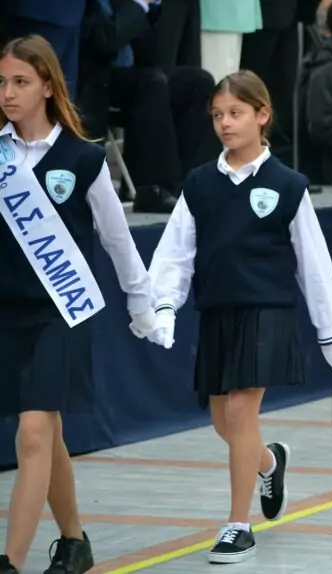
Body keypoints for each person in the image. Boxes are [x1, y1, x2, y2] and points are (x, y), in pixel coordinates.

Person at [144, 70, 332, 564]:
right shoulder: (200, 183)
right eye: (217, 114)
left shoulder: (288, 185)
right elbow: (175, 252)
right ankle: (269, 462)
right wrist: (163, 305)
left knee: (240, 413)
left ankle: (238, 526)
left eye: (235, 113)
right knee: (225, 421)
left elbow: (313, 262)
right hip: (219, 311)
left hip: (267, 311)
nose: (224, 123)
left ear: (262, 115)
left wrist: (330, 328)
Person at [0, 35, 155, 574]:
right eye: (2, 82)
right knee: (48, 434)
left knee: (33, 432)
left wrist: (141, 303)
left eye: (21, 81)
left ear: (48, 85)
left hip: (61, 312)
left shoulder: (84, 157)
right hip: (9, 312)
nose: (8, 92)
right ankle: (74, 542)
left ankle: (9, 561)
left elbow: (117, 239)